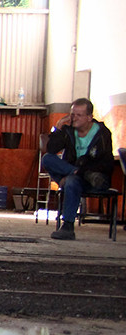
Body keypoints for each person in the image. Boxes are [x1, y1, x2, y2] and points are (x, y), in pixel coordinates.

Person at [42, 98, 115, 240]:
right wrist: (59, 126)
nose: (74, 118)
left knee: (70, 181)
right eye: (72, 114)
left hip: (96, 179)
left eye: (78, 115)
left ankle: (67, 225)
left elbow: (106, 163)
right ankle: (68, 228)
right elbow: (51, 149)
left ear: (89, 117)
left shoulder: (102, 134)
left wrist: (83, 169)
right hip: (77, 176)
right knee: (47, 159)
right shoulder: (69, 131)